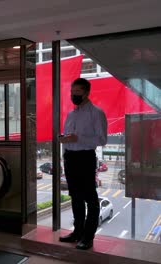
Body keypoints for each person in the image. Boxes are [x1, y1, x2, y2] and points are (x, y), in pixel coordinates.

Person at [59, 78, 108, 250]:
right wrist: (64, 140)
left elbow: (102, 139)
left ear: (87, 92)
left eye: (77, 92)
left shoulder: (96, 113)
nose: (73, 95)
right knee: (76, 198)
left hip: (85, 158)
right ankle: (77, 232)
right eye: (72, 92)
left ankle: (88, 237)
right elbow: (69, 137)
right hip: (70, 158)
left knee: (90, 199)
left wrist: (78, 138)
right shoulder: (71, 114)